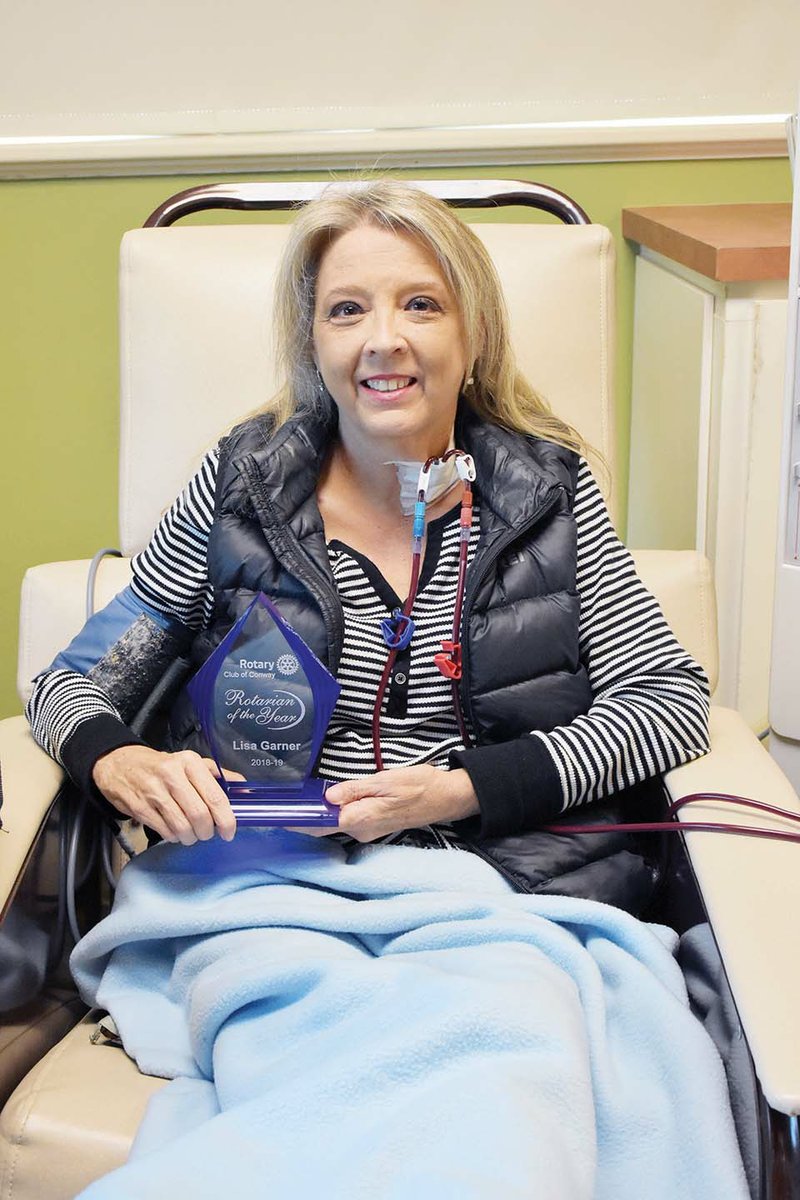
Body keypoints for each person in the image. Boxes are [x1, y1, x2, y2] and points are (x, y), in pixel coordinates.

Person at [25, 180, 748, 1199]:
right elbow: (71, 682)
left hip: (494, 895)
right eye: (346, 309)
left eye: (420, 304)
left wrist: (459, 788)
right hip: (268, 893)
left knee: (501, 1071)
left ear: (471, 331)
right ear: (311, 341)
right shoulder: (240, 488)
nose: (383, 341)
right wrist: (121, 758)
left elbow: (666, 701)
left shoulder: (546, 496)